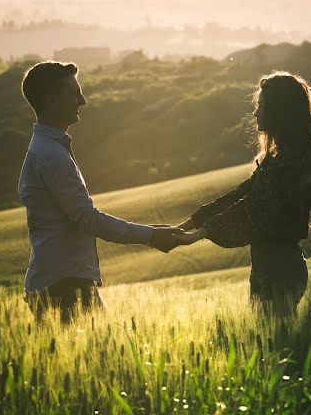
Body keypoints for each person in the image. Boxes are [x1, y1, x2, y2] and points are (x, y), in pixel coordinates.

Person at [18, 61, 185, 322]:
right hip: (64, 285)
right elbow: (88, 219)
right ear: (51, 100)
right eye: (74, 93)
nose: (82, 101)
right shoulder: (52, 156)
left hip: (60, 280)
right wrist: (151, 236)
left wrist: (152, 232)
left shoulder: (46, 150)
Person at [175, 71, 311, 311]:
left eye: (263, 106)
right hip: (269, 267)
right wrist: (190, 223)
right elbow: (241, 194)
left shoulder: (291, 162)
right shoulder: (280, 158)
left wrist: (199, 233)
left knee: (276, 340)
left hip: (279, 270)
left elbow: (253, 207)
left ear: (280, 111)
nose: (256, 112)